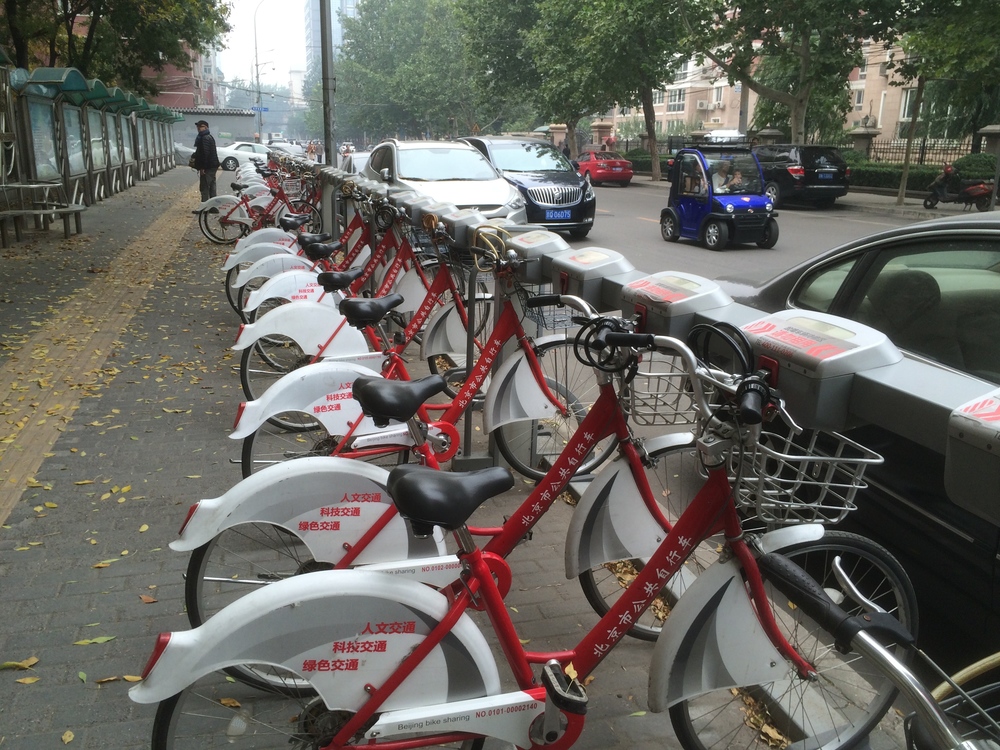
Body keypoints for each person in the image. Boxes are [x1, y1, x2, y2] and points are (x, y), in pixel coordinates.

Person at [192, 120, 220, 202]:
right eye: (198, 126)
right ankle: (213, 206)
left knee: (204, 186)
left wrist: (202, 167)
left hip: (208, 166)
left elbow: (205, 153)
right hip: (212, 165)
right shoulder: (208, 137)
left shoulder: (204, 138)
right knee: (211, 185)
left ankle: (204, 207)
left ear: (206, 127)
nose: (198, 128)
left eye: (201, 126)